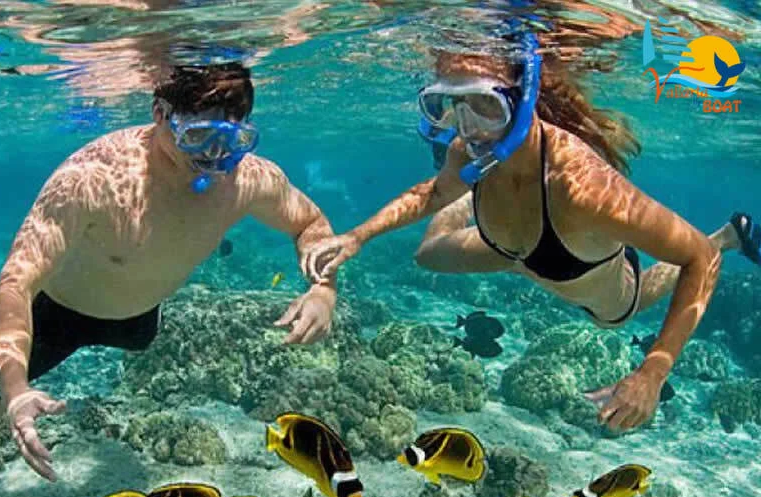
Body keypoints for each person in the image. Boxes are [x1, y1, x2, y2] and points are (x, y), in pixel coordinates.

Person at [302, 38, 761, 433]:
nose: (469, 128)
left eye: (486, 105)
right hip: (511, 248)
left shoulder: (582, 188)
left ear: (522, 100)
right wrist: (358, 236)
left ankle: (728, 236)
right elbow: (433, 193)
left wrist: (653, 372)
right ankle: (480, 199)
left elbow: (698, 259)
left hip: (578, 265)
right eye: (450, 105)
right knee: (428, 254)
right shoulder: (467, 149)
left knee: (621, 314)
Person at [0, 62, 338, 481]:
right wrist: (16, 393)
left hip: (141, 317)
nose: (214, 157)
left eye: (232, 140)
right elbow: (16, 283)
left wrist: (323, 290)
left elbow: (310, 223)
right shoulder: (91, 179)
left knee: (138, 333)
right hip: (60, 312)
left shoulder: (248, 179)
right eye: (198, 136)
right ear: (160, 114)